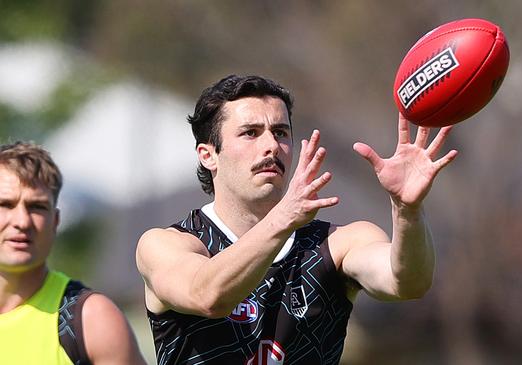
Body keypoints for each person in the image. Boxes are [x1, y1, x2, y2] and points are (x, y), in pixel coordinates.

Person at [136, 74, 457, 364]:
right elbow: (207, 296)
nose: (271, 146)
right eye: (250, 133)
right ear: (208, 155)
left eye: (280, 132)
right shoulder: (165, 245)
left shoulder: (337, 244)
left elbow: (409, 282)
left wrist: (407, 210)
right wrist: (282, 218)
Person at [0, 142, 147, 365]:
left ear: (55, 221)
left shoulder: (92, 319)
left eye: (37, 207)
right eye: (5, 204)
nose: (22, 221)